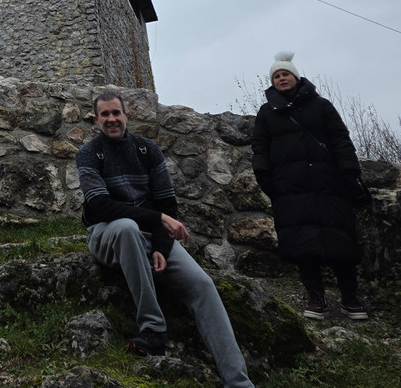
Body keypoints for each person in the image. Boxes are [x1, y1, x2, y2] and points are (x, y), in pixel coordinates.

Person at [76, 90, 254, 388]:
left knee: (202, 285)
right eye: (104, 115)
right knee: (126, 228)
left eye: (116, 113)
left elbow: (165, 203)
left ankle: (238, 381)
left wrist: (160, 246)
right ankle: (153, 330)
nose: (111, 119)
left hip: (149, 235)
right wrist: (158, 220)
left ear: (127, 115)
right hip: (107, 234)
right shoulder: (89, 153)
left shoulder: (148, 150)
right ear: (96, 119)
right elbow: (100, 206)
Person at [251, 52, 368, 321]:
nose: (281, 78)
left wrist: (350, 172)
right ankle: (316, 297)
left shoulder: (321, 106)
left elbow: (340, 138)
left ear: (296, 76)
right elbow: (260, 147)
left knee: (341, 239)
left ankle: (350, 297)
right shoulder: (267, 112)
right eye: (276, 76)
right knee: (303, 243)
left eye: (285, 74)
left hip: (329, 183)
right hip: (291, 187)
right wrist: (265, 177)